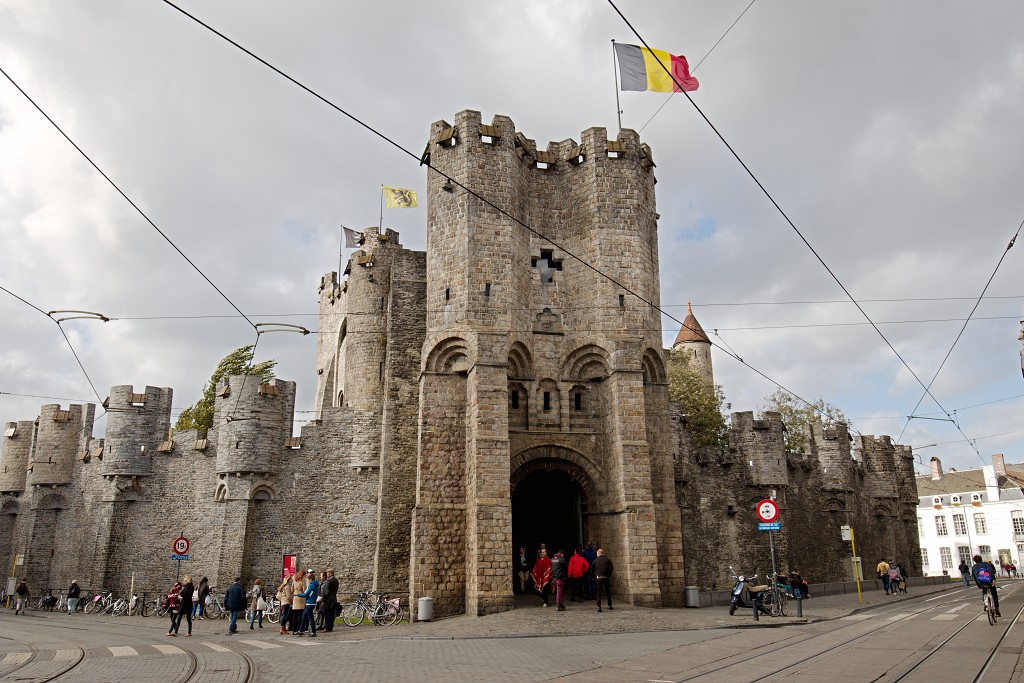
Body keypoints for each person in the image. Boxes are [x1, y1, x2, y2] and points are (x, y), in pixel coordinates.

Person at [295, 569, 320, 637]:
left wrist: (298, 594)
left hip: (309, 603)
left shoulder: (311, 585)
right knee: (304, 616)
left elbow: (306, 594)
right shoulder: (315, 585)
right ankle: (301, 630)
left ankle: (314, 632)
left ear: (310, 579)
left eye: (308, 580)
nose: (307, 582)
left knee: (310, 618)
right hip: (312, 602)